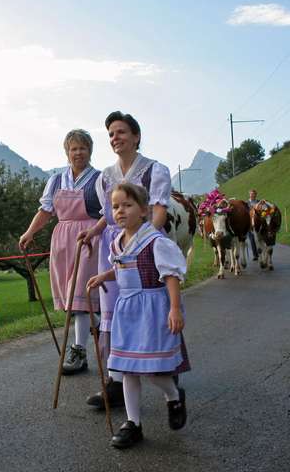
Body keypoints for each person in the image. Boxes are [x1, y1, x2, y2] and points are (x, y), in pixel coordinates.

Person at [79, 111, 172, 410]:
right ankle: (116, 381)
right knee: (113, 314)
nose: (115, 138)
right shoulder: (105, 177)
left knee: (147, 310)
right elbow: (109, 216)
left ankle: (164, 368)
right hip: (114, 249)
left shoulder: (155, 170)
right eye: (111, 134)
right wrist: (92, 232)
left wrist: (143, 242)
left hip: (143, 247)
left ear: (136, 137)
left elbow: (158, 211)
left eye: (120, 132)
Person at [86, 183, 189, 449]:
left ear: (144, 210)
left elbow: (170, 276)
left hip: (153, 311)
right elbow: (121, 268)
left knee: (154, 371)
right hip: (127, 311)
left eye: (127, 205)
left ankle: (173, 395)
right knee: (128, 369)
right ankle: (133, 423)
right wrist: (104, 276)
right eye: (116, 206)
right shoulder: (118, 242)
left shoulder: (155, 242)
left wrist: (175, 308)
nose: (120, 211)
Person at [19, 130, 101, 375]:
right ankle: (106, 328)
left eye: (83, 148)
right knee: (70, 299)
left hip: (88, 239)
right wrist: (29, 232)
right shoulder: (55, 180)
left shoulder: (99, 179)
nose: (78, 153)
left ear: (90, 151)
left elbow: (109, 211)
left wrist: (96, 233)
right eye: (74, 149)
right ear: (67, 152)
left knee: (80, 296)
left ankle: (78, 352)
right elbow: (45, 211)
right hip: (62, 240)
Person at [246, 189, 259, 261]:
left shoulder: (258, 202)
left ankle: (260, 252)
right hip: (250, 224)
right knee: (252, 239)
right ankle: (255, 255)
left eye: (253, 194)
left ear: (255, 195)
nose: (252, 195)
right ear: (249, 195)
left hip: (258, 224)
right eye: (251, 194)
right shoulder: (246, 203)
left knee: (260, 239)